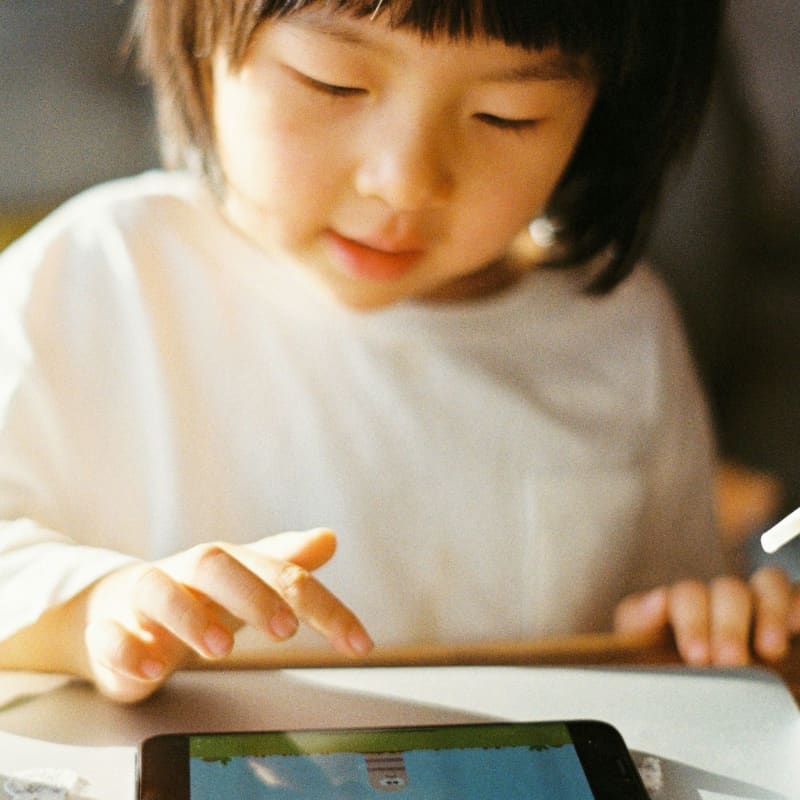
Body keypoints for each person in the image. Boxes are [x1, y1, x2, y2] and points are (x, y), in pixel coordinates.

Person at [0, 0, 797, 705]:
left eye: (508, 115)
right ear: (203, 32)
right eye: (333, 83)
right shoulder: (88, 278)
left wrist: (705, 616)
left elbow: (667, 607)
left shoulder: (619, 334)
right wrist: (94, 609)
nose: (406, 181)